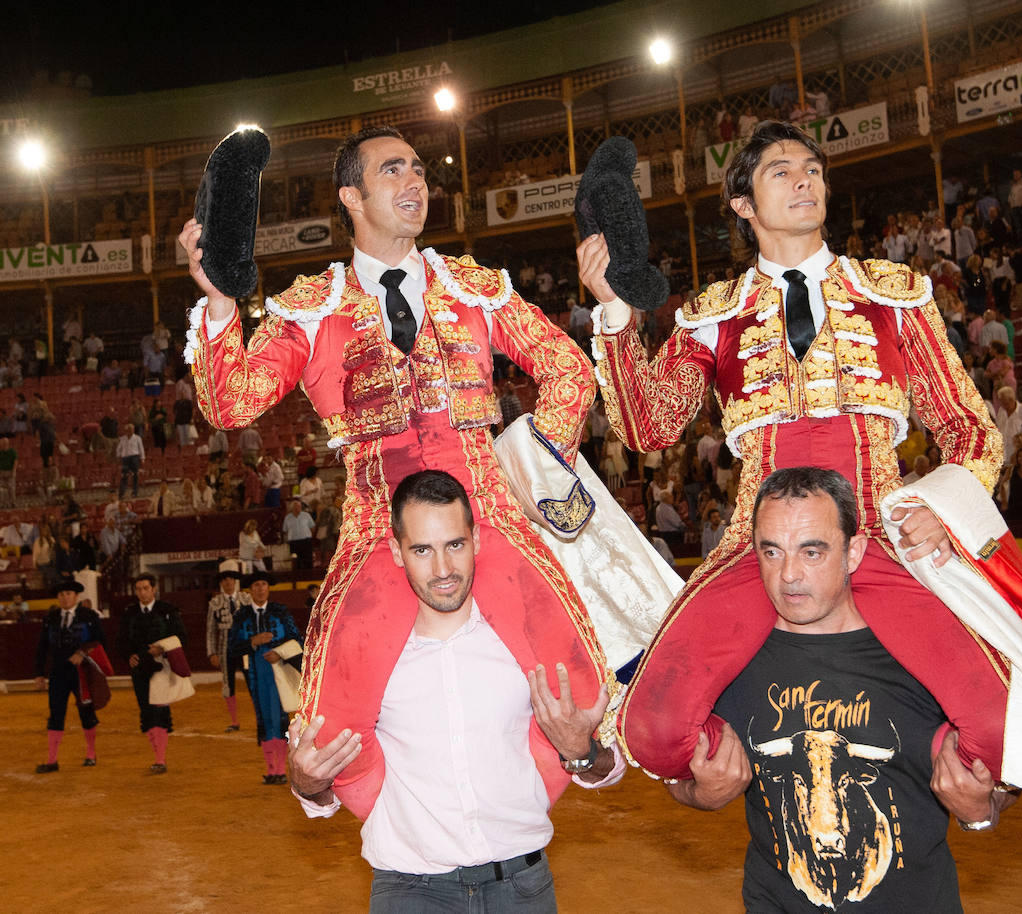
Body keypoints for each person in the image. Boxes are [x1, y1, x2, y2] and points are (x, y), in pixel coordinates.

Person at [581, 119, 1022, 788]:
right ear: (743, 205)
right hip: (759, 545)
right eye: (781, 171)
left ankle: (910, 745)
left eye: (813, 169)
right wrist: (614, 312)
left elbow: (971, 425)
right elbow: (649, 427)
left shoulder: (893, 293)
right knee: (652, 727)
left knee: (1005, 732)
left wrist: (948, 507)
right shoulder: (712, 312)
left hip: (877, 533)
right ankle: (768, 746)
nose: (803, 179)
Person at [183, 125, 608, 818]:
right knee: (331, 733)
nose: (415, 183)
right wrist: (222, 302)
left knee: (580, 695)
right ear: (351, 195)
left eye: (418, 168)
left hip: (487, 521)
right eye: (393, 170)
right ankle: (404, 833)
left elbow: (567, 369)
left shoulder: (474, 287)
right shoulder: (309, 309)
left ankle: (515, 814)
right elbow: (232, 403)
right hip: (377, 535)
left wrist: (525, 477)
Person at [667, 467, 1018, 913]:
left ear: (854, 552)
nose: (789, 575)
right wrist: (701, 794)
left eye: (812, 552)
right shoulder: (729, 660)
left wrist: (981, 812)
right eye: (771, 552)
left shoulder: (925, 654)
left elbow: (1002, 779)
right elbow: (678, 777)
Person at [287, 471, 623, 910]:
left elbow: (609, 768)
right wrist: (306, 782)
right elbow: (319, 790)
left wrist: (581, 751)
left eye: (455, 545)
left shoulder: (524, 644)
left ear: (477, 540)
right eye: (422, 550)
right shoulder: (366, 660)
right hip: (409, 891)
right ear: (396, 552)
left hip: (521, 887)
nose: (443, 569)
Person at [228, 571, 302, 784]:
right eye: (256, 585)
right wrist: (253, 641)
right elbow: (232, 648)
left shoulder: (280, 611)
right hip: (256, 673)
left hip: (279, 670)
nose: (260, 588)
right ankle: (271, 770)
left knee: (279, 716)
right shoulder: (241, 615)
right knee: (264, 718)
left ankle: (279, 770)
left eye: (263, 584)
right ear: (249, 591)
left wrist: (279, 652)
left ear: (268, 588)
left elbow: (297, 640)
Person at [117, 573, 188, 773]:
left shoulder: (167, 610)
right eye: (138, 589)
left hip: (161, 667)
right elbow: (121, 640)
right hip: (139, 668)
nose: (142, 592)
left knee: (158, 711)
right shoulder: (130, 613)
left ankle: (160, 759)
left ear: (154, 589)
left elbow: (182, 637)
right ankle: (158, 755)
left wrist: (162, 648)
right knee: (146, 711)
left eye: (145, 588)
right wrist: (128, 655)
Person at [33, 580, 106, 772]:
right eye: (61, 594)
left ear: (76, 596)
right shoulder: (51, 618)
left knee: (86, 711)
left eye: (68, 594)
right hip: (58, 673)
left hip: (82, 672)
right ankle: (52, 760)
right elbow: (42, 647)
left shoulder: (89, 616)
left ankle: (91, 754)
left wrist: (82, 653)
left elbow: (100, 641)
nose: (64, 597)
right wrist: (39, 673)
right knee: (56, 713)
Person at [206, 569, 246, 732]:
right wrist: (212, 652)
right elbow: (210, 629)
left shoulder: (246, 599)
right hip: (224, 649)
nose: (228, 583)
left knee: (253, 682)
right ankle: (234, 720)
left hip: (245, 647)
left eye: (230, 580)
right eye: (225, 581)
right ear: (221, 584)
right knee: (228, 684)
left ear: (235, 582)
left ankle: (260, 718)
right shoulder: (215, 603)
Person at [282, 499, 316, 570]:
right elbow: (285, 530)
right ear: (292, 508)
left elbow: (312, 527)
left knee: (308, 560)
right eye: (296, 506)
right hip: (294, 543)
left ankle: (309, 576)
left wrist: (309, 536)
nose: (298, 508)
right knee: (296, 562)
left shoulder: (306, 515)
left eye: (299, 506)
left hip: (306, 541)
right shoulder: (287, 518)